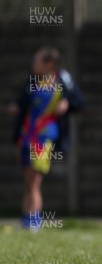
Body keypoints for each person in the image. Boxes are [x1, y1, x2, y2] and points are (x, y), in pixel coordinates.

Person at [9, 46, 85, 231]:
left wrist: (67, 102)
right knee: (28, 180)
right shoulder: (32, 81)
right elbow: (22, 102)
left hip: (45, 137)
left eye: (37, 61)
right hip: (28, 134)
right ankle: (26, 218)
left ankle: (34, 220)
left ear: (49, 64)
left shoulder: (62, 80)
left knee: (35, 180)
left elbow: (79, 101)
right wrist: (16, 108)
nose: (33, 64)